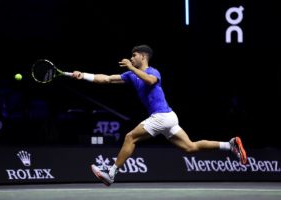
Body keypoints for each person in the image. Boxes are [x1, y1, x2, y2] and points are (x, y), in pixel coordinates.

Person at [72, 44, 247, 186]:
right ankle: (229, 145)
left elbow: (150, 81)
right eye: (131, 56)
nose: (131, 58)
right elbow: (107, 79)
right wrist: (83, 75)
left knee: (130, 137)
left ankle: (111, 173)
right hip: (169, 117)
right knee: (190, 147)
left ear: (143, 56)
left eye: (134, 55)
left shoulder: (153, 71)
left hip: (162, 116)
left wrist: (132, 67)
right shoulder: (132, 75)